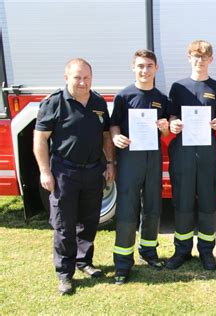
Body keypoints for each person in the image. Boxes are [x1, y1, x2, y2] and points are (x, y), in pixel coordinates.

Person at [33, 58, 115, 295]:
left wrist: (109, 163)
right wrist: (44, 171)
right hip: (64, 172)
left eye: (87, 77)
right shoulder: (55, 103)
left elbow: (106, 136)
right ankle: (64, 274)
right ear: (66, 77)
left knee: (89, 221)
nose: (82, 82)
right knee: (64, 225)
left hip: (93, 171)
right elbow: (40, 138)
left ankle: (83, 261)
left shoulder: (99, 102)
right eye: (77, 77)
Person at [166, 40, 216, 271]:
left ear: (211, 60)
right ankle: (181, 250)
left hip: (209, 152)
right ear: (188, 57)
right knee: (182, 201)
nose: (199, 60)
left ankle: (206, 251)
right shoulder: (178, 87)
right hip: (183, 150)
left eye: (204, 57)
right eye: (196, 56)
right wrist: (174, 124)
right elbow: (170, 116)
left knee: (207, 201)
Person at [110, 49, 170, 285]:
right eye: (140, 66)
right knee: (127, 207)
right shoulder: (124, 96)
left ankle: (149, 251)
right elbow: (114, 126)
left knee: (153, 205)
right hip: (129, 158)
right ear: (133, 68)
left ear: (156, 68)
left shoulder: (161, 98)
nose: (145, 70)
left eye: (149, 66)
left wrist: (165, 126)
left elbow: (165, 132)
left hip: (153, 157)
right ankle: (123, 263)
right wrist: (116, 138)